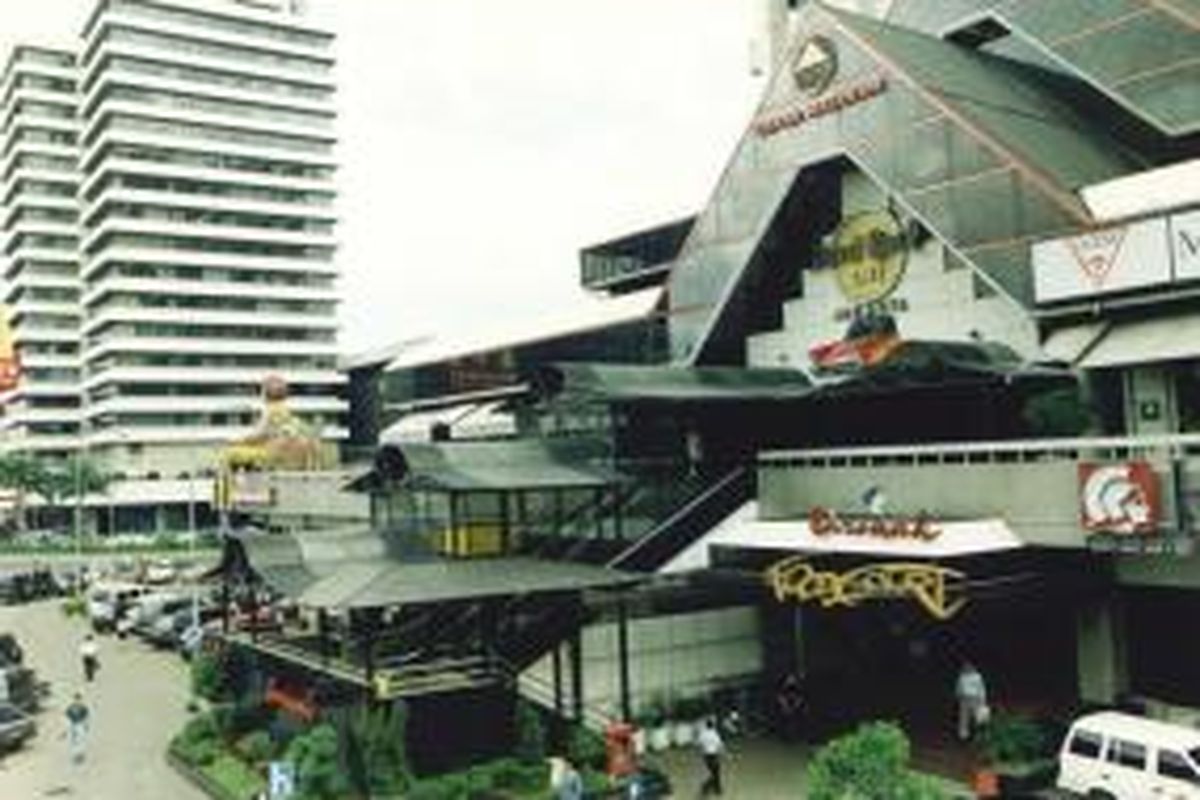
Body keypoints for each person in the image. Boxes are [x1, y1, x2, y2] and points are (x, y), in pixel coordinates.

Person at [955, 661, 989, 741]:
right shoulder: (962, 676)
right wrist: (958, 697)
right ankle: (963, 737)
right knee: (964, 718)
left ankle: (979, 735)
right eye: (965, 667)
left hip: (975, 698)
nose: (967, 668)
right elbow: (959, 687)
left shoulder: (977, 676)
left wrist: (983, 700)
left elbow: (981, 688)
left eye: (969, 666)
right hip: (964, 698)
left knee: (977, 717)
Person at [697, 717, 725, 796]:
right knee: (715, 773)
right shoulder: (715, 734)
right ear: (713, 726)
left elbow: (699, 744)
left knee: (710, 772)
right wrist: (723, 753)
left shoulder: (703, 734)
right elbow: (720, 745)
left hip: (706, 755)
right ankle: (715, 789)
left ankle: (710, 788)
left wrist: (701, 752)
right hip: (714, 755)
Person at [776, 672, 804, 741]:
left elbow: (800, 697)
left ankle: (795, 734)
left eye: (792, 678)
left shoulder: (798, 687)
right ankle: (785, 735)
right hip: (785, 707)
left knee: (795, 717)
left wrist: (796, 705)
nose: (791, 680)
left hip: (795, 708)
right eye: (789, 678)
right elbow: (780, 697)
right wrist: (785, 706)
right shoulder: (783, 687)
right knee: (785, 717)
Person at [65, 693, 89, 765]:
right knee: (73, 740)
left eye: (78, 699)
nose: (77, 701)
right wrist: (68, 726)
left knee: (81, 739)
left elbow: (86, 718)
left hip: (80, 724)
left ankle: (80, 754)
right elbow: (68, 718)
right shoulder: (70, 708)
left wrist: (85, 725)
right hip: (73, 724)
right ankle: (75, 755)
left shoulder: (84, 708)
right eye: (76, 699)